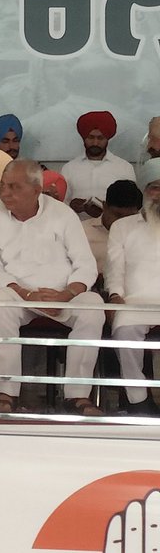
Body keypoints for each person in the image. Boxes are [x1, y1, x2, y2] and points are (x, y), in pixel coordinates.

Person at [0, 159, 103, 416]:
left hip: (62, 296)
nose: (4, 193)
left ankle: (77, 395)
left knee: (93, 306)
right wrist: (26, 294)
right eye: (4, 186)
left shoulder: (62, 214)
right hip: (18, 295)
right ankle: (5, 391)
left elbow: (86, 265)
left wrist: (66, 294)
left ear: (36, 190)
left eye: (14, 187)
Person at [106, 159, 160, 413]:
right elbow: (115, 268)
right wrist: (116, 295)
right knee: (124, 330)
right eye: (154, 188)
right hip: (135, 301)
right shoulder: (122, 227)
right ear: (145, 191)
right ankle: (139, 400)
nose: (159, 194)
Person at [60, 111, 136, 219]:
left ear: (107, 139)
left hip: (113, 231)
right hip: (77, 229)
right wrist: (73, 206)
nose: (95, 143)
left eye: (100, 138)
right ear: (84, 138)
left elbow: (131, 206)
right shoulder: (69, 168)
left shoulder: (124, 168)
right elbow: (60, 204)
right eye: (90, 137)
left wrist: (106, 210)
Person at [83, 179, 142, 282]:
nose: (122, 222)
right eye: (117, 215)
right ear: (105, 206)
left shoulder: (146, 235)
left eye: (129, 217)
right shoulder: (82, 232)